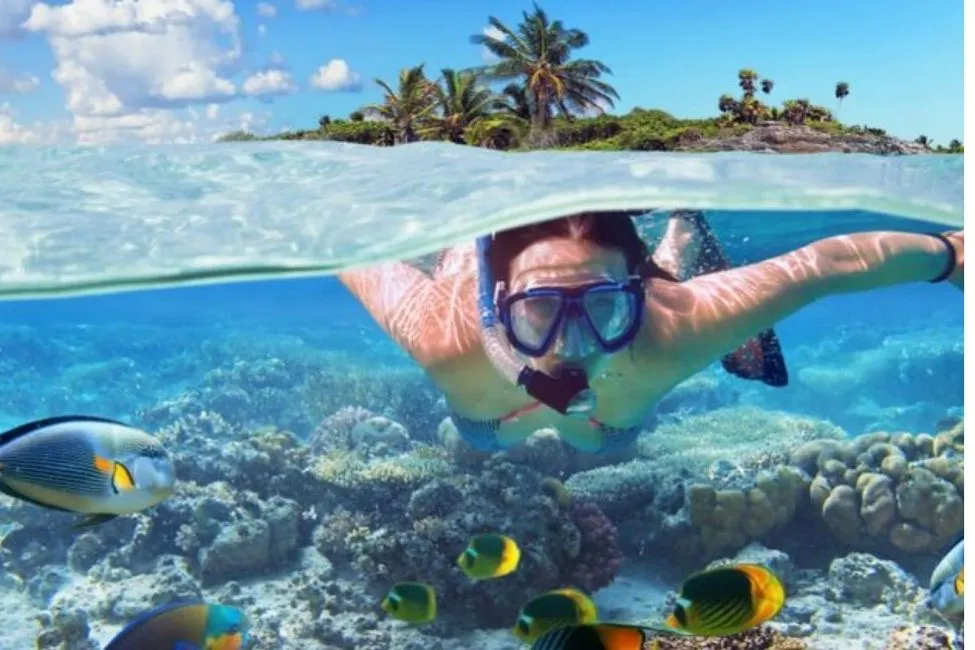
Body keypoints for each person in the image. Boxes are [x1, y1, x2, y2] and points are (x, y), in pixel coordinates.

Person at [339, 210, 964, 453]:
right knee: (481, 436)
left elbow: (829, 264)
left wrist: (954, 254)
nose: (572, 345)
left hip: (606, 423)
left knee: (665, 283)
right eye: (540, 310)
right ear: (497, 303)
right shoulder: (443, 337)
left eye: (606, 308)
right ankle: (455, 241)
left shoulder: (671, 326)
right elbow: (345, 244)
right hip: (494, 430)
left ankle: (679, 234)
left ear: (633, 296)